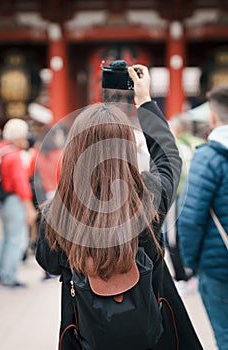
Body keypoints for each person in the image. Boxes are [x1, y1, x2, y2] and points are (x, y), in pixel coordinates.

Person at [36, 65, 202, 349]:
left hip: (86, 335)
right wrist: (145, 102)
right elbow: (168, 158)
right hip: (155, 333)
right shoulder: (148, 197)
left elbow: (48, 262)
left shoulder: (57, 214)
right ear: (126, 149)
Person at [178, 84, 228, 350]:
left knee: (225, 335)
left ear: (212, 116)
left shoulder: (207, 158)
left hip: (218, 261)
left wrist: (191, 261)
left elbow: (191, 216)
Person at [164, 113, 203, 292]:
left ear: (177, 129)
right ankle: (195, 274)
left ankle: (182, 277)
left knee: (172, 238)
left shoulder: (174, 146)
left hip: (178, 198)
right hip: (201, 198)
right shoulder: (200, 144)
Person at [0, 118, 37, 288]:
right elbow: (21, 184)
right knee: (16, 240)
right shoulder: (13, 156)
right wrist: (29, 209)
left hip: (3, 200)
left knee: (6, 238)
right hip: (13, 200)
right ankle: (9, 276)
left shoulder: (0, 150)